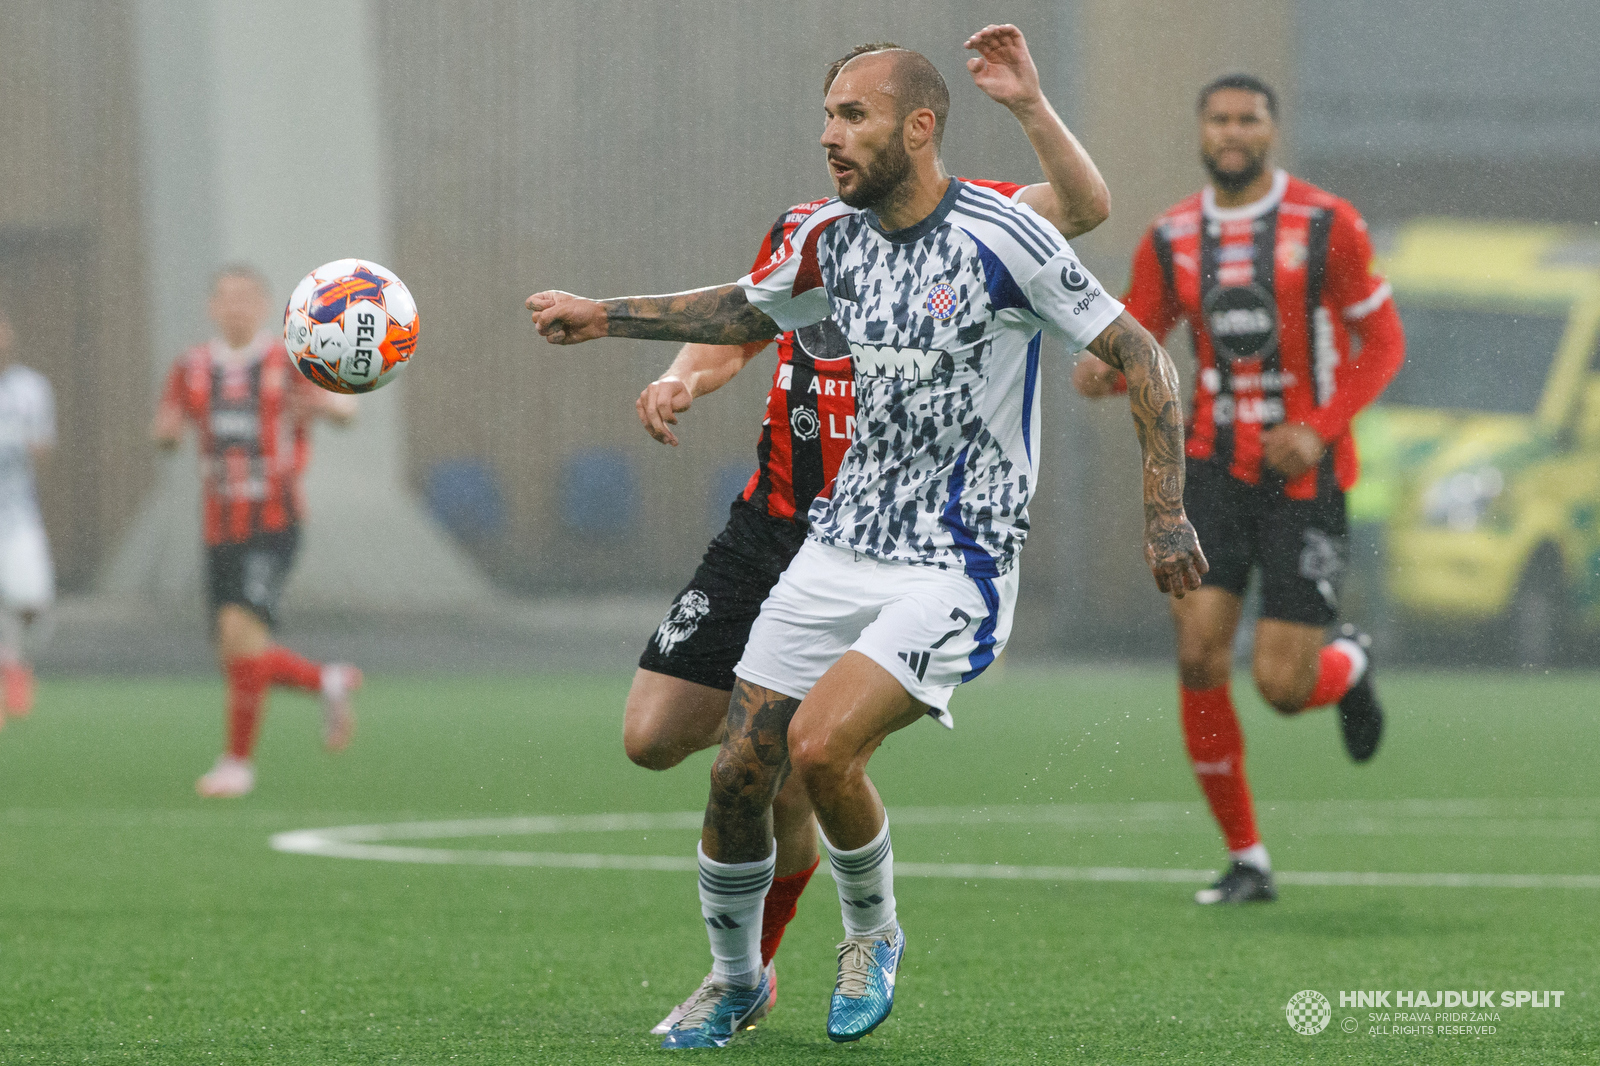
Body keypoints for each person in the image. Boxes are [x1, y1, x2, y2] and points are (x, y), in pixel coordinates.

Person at [529, 40, 1202, 1049]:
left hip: (954, 563)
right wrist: (606, 316)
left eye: (851, 116)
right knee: (735, 776)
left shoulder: (1002, 236)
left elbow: (1141, 353)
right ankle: (732, 981)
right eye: (827, 115)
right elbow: (741, 308)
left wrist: (1163, 512)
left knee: (822, 747)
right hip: (830, 550)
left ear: (918, 128)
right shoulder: (831, 240)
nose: (827, 135)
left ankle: (871, 934)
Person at [1071, 74, 1405, 905]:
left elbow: (1383, 344)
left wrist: (1321, 427)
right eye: (1218, 118)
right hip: (1210, 472)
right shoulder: (1173, 235)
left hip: (1307, 478)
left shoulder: (1328, 224)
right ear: (1200, 131)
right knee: (1197, 655)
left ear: (1271, 131)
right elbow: (1139, 334)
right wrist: (1100, 370)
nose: (1232, 132)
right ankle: (1247, 858)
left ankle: (1348, 664)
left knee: (1283, 688)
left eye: (1248, 119)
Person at [152, 265, 364, 798]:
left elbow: (347, 408)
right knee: (234, 650)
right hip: (218, 523)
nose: (236, 308)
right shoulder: (191, 367)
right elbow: (166, 427)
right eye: (226, 298)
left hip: (275, 519)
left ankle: (236, 764)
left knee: (242, 635)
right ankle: (327, 682)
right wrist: (167, 436)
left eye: (247, 299)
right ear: (211, 308)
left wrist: (329, 407)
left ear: (265, 306)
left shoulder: (291, 359)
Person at [0, 308, 57, 722]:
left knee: (32, 600)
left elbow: (42, 447)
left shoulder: (31, 388)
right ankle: (12, 671)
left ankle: (15, 658)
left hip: (16, 510)